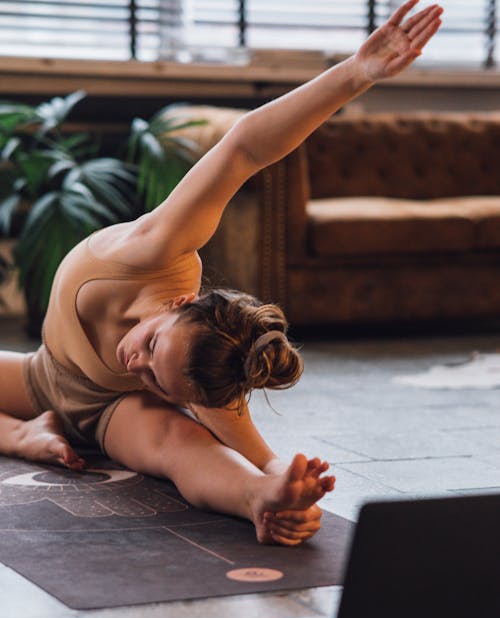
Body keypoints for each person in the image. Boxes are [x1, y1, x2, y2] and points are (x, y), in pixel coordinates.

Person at [0, 0, 442, 545]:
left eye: (157, 381)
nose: (135, 363)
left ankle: (250, 506)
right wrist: (355, 74)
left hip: (112, 416)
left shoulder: (204, 369)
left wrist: (280, 492)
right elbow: (244, 148)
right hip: (40, 378)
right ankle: (23, 435)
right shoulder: (156, 249)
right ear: (179, 304)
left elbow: (259, 457)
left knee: (178, 442)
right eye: (152, 348)